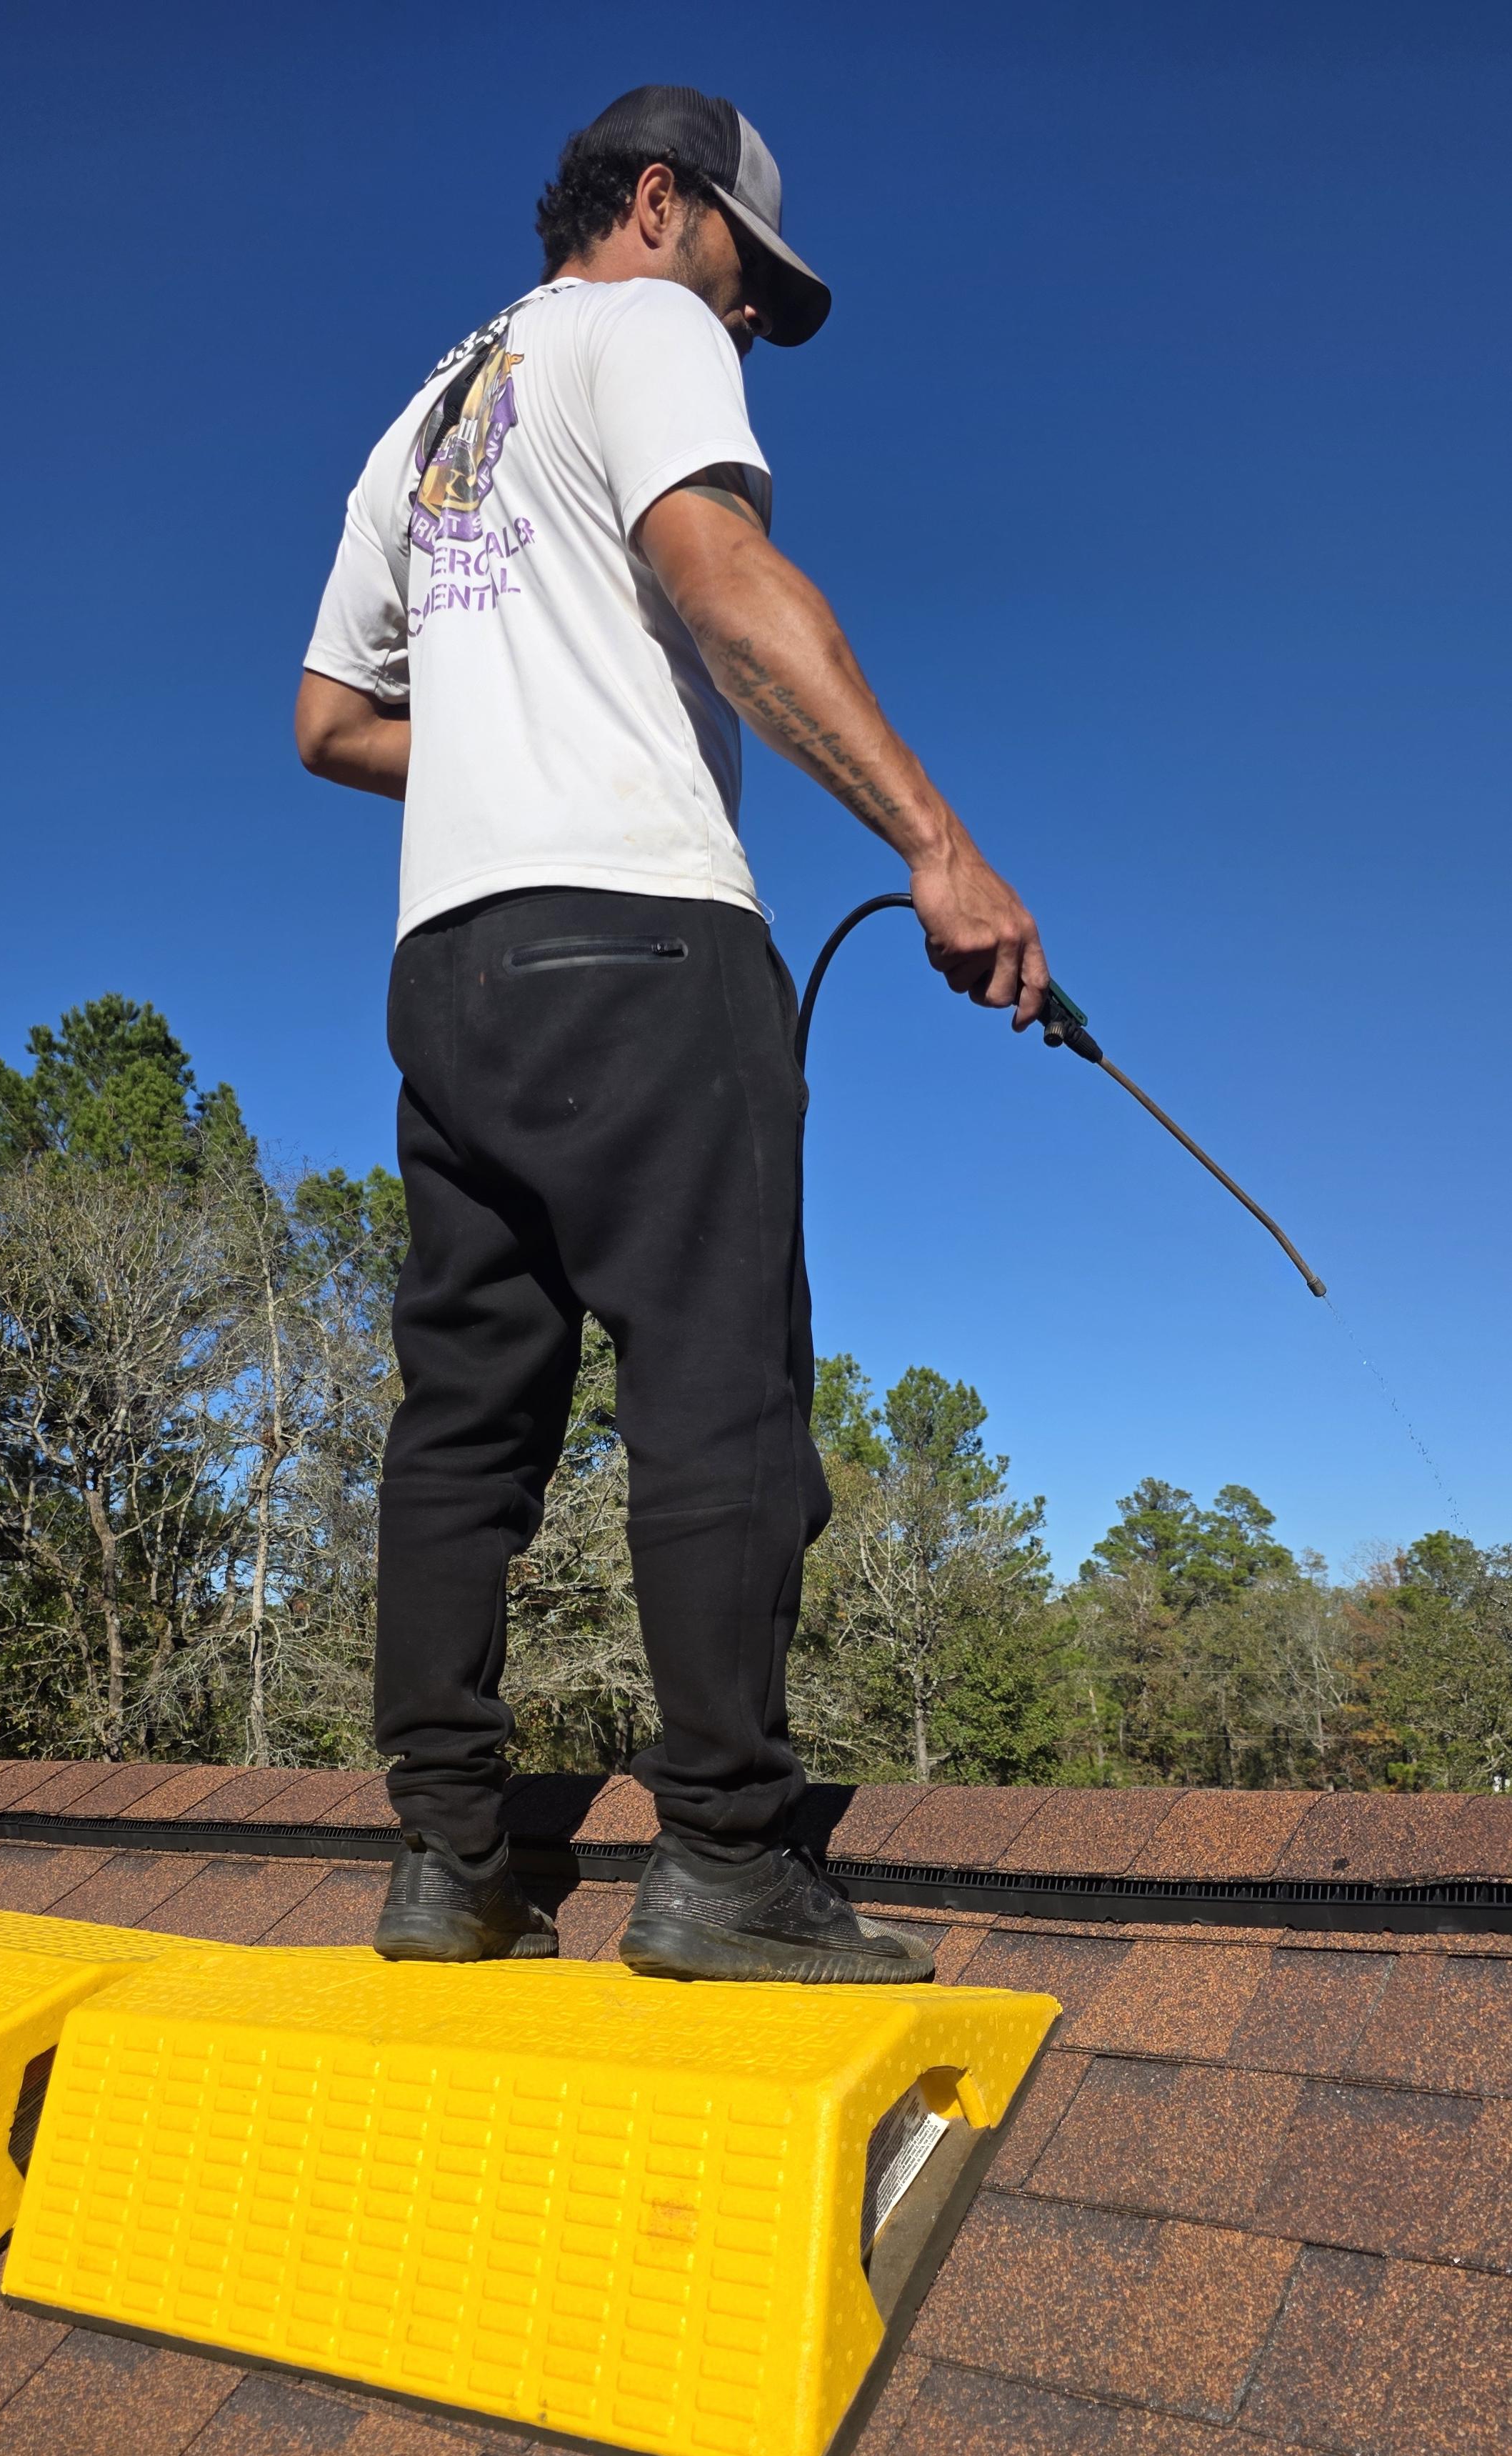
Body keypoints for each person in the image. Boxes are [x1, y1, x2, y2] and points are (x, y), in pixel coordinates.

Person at [296, 84, 1050, 1985]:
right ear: (658, 204)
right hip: (636, 936)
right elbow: (723, 590)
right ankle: (722, 1858)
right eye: (745, 280)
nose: (741, 326)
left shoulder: (429, 417)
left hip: (448, 968)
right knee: (715, 1390)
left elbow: (324, 720)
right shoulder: (638, 332)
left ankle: (450, 1866)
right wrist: (935, 849)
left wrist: (491, 759)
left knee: (464, 1423)